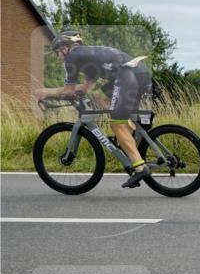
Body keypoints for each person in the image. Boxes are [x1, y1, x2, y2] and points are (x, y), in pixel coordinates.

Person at [34, 29, 154, 188]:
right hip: (138, 73)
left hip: (126, 75)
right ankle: (130, 141)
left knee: (116, 124)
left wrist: (45, 93)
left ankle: (140, 168)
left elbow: (68, 91)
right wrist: (67, 94)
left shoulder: (72, 57)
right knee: (100, 97)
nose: (58, 57)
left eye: (57, 52)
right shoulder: (87, 57)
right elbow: (85, 89)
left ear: (65, 48)